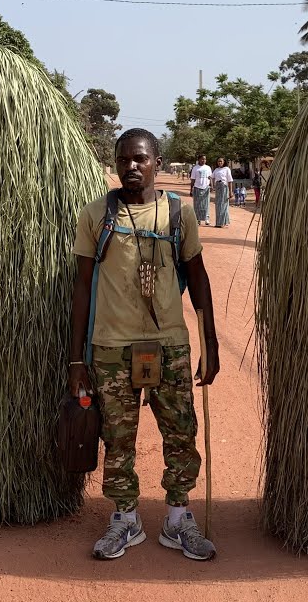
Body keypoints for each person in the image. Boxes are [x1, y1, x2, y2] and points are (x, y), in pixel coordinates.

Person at [69, 128, 221, 562]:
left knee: (179, 433)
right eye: (123, 160)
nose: (131, 167)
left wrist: (209, 343)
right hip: (111, 348)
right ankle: (125, 519)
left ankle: (178, 519)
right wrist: (76, 358)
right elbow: (81, 288)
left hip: (168, 344)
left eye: (140, 159)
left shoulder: (178, 214)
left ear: (157, 160)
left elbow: (198, 278)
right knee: (118, 437)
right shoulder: (97, 215)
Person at [189, 155, 212, 225]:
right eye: (202, 159)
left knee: (206, 204)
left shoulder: (208, 168)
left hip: (206, 187)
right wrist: (191, 189)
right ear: (198, 160)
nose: (203, 160)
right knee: (197, 204)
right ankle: (197, 219)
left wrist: (211, 186)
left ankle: (206, 218)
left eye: (205, 159)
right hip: (197, 187)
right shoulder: (195, 168)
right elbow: (193, 179)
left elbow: (210, 178)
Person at [211, 158, 233, 228]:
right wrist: (212, 186)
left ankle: (222, 222)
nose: (219, 162)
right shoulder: (216, 170)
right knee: (218, 205)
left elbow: (230, 181)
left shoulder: (227, 169)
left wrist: (230, 191)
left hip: (224, 187)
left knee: (223, 205)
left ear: (224, 162)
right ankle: (218, 222)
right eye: (218, 161)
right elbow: (212, 177)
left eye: (221, 161)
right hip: (218, 187)